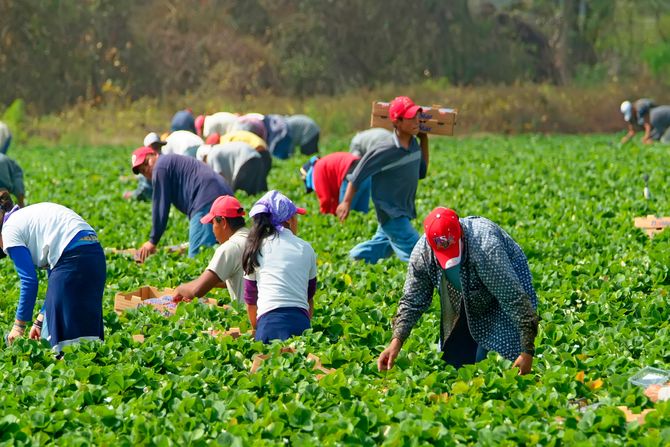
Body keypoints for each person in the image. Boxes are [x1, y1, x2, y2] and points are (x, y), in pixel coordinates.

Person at [377, 207, 539, 375]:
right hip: (463, 296)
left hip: (502, 294)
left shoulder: (486, 248)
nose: (449, 257)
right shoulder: (422, 253)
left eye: (452, 250)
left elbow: (514, 300)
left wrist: (527, 350)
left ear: (461, 233)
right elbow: (412, 301)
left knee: (501, 366)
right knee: (454, 366)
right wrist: (395, 343)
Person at [1, 199, 106, 352]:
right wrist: (40, 319)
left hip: (72, 258)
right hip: (94, 255)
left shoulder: (9, 230)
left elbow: (29, 281)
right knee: (88, 338)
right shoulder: (28, 220)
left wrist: (19, 326)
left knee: (58, 344)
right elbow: (53, 282)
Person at [336, 96, 429, 264]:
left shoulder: (414, 144)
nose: (417, 121)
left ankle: (354, 257)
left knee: (381, 245)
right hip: (391, 210)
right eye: (411, 117)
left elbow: (421, 171)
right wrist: (346, 202)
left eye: (417, 116)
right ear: (398, 122)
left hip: (403, 207)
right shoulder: (384, 148)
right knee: (419, 254)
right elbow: (359, 173)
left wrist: (424, 139)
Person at [130, 146, 234, 261]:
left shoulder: (160, 166)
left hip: (206, 200)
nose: (146, 169)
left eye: (146, 162)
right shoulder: (169, 163)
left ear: (154, 154)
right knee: (228, 250)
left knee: (198, 259)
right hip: (224, 194)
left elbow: (160, 206)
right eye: (142, 171)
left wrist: (152, 241)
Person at [242, 190, 316, 343]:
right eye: (296, 217)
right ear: (289, 220)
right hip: (301, 324)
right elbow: (309, 298)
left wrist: (258, 329)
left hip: (267, 325)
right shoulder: (305, 248)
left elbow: (250, 301)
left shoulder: (255, 247)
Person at [173, 196, 249, 303]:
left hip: (249, 316)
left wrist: (180, 289)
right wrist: (201, 282)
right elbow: (229, 277)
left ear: (223, 222)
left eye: (213, 223)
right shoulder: (254, 239)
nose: (212, 230)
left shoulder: (230, 247)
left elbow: (196, 291)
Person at [300, 152, 371, 215]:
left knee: (343, 214)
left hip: (350, 174)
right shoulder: (323, 163)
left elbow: (325, 200)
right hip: (365, 170)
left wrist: (324, 216)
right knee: (361, 214)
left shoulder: (317, 171)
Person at [196, 142, 269, 195]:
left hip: (246, 160)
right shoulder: (218, 149)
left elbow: (219, 178)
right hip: (257, 157)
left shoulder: (211, 155)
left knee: (240, 193)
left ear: (204, 156)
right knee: (258, 191)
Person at [124, 133, 166, 201]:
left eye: (158, 147)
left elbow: (144, 190)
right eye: (154, 147)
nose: (157, 150)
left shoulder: (159, 164)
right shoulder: (165, 158)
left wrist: (131, 195)